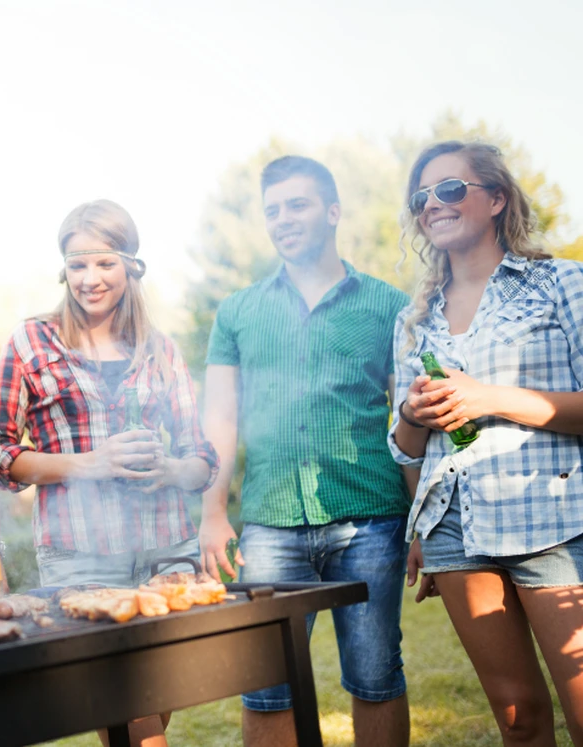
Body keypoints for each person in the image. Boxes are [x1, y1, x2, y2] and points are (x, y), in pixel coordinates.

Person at [200, 156, 411, 747]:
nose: (283, 219)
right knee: (264, 684)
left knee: (375, 677)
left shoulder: (388, 306)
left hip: (372, 518)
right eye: (272, 210)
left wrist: (419, 522)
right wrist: (213, 513)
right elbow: (220, 416)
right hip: (269, 524)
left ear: (333, 211)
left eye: (298, 205)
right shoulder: (239, 310)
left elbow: (411, 419)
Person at [0, 199, 218, 747]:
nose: (89, 280)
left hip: (168, 550)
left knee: (157, 698)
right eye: (76, 265)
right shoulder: (32, 342)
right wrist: (88, 464)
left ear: (131, 266)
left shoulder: (160, 350)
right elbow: (1, 455)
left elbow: (202, 459)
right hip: (80, 555)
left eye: (104, 264)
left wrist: (171, 469)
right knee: (126, 701)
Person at [393, 141, 583, 745]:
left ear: (497, 198)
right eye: (422, 197)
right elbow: (406, 449)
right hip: (455, 532)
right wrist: (411, 413)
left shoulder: (560, 283)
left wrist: (490, 398)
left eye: (451, 189)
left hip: (552, 519)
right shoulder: (414, 318)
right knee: (518, 719)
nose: (433, 205)